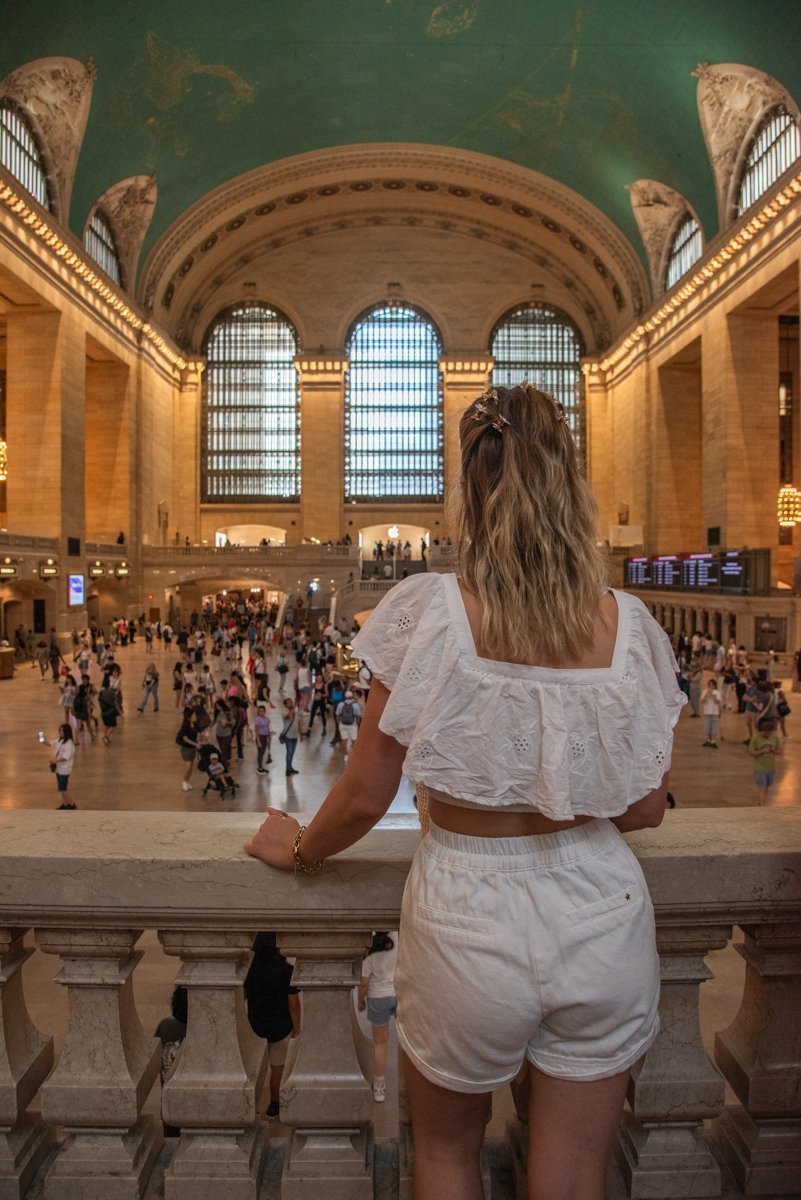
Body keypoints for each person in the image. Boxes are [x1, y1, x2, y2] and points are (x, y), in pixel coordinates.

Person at [245, 382, 684, 1200]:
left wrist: (298, 846)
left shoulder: (429, 612)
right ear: (572, 482)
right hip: (603, 907)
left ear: (470, 489)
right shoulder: (630, 626)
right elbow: (643, 806)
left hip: (467, 909)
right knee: (574, 1172)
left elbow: (369, 794)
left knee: (447, 1155)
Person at [244, 933, 301, 1120]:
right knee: (278, 1068)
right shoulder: (286, 971)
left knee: (251, 1069)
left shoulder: (249, 970)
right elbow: (293, 1004)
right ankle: (274, 1104)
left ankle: (247, 1105)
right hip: (280, 1026)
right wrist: (297, 1029)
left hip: (254, 1025)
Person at [358, 931, 398, 1102]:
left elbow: (364, 982)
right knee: (407, 1042)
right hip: (399, 993)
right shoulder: (398, 937)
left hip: (378, 996)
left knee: (380, 1044)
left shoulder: (370, 946)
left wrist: (360, 1000)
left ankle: (379, 1088)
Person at [749, 716, 782, 805]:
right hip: (759, 767)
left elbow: (779, 751)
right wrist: (762, 751)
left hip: (771, 768)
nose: (767, 734)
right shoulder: (755, 738)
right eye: (765, 732)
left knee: (766, 786)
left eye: (769, 732)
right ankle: (762, 806)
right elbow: (751, 752)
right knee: (762, 787)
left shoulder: (775, 738)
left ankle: (761, 802)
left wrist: (773, 751)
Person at [49, 722, 76, 809]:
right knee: (61, 788)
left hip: (65, 769)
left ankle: (71, 804)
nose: (60, 733)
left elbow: (65, 757)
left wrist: (55, 761)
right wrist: (41, 740)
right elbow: (51, 743)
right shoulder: (60, 740)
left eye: (62, 731)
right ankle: (65, 803)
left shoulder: (69, 744)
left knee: (63, 788)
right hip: (59, 769)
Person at [176, 709, 201, 792]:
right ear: (189, 718)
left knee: (191, 768)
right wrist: (196, 744)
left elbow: (198, 734)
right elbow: (186, 739)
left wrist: (199, 738)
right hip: (186, 749)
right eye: (193, 715)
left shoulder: (195, 725)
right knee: (188, 766)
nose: (195, 717)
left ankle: (187, 781)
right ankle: (184, 781)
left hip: (192, 749)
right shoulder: (185, 727)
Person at [336, 689, 362, 761]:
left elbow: (337, 715)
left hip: (342, 724)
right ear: (351, 697)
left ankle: (346, 755)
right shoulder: (355, 705)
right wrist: (357, 724)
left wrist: (339, 723)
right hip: (352, 725)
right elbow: (358, 716)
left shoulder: (340, 704)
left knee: (344, 740)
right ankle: (353, 757)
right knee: (354, 740)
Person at [279, 697, 299, 776]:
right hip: (288, 736)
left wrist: (300, 733)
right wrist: (293, 708)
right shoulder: (284, 711)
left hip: (295, 735)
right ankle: (288, 769)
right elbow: (289, 716)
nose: (291, 704)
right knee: (289, 752)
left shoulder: (295, 711)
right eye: (289, 703)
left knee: (292, 753)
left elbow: (298, 721)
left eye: (291, 702)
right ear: (285, 705)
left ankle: (290, 767)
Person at [701, 678, 722, 748]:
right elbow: (702, 701)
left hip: (715, 712)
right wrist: (707, 694)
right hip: (707, 712)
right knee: (707, 727)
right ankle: (707, 740)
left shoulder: (717, 692)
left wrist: (712, 696)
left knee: (714, 727)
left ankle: (713, 741)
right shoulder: (705, 691)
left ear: (715, 686)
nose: (711, 686)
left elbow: (718, 702)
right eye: (709, 685)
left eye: (712, 685)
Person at [254, 703, 273, 774]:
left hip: (265, 737)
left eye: (262, 711)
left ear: (265, 711)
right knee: (260, 752)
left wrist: (269, 735)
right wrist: (258, 741)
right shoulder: (257, 719)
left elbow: (268, 728)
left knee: (263, 752)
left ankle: (261, 766)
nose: (261, 712)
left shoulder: (267, 719)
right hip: (260, 736)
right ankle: (259, 768)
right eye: (260, 711)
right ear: (258, 712)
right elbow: (256, 730)